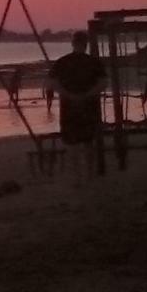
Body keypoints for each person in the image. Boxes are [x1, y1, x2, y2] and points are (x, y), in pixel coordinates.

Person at [49, 31, 108, 180]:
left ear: (72, 44)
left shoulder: (62, 62)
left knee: (72, 143)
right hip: (89, 106)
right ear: (86, 44)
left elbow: (52, 84)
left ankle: (76, 176)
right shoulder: (94, 62)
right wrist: (87, 95)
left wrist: (68, 95)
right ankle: (89, 174)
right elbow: (103, 83)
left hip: (69, 107)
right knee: (88, 142)